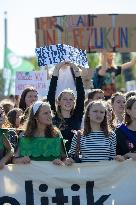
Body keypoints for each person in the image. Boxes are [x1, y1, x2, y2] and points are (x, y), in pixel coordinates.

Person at [13, 101, 73, 166]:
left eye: (50, 112)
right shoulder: (23, 136)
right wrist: (21, 160)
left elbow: (64, 158)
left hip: (52, 175)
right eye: (45, 113)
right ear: (36, 117)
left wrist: (63, 162)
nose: (50, 116)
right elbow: (14, 160)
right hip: (29, 176)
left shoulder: (56, 134)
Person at [47, 61, 85, 152]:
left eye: (71, 99)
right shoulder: (52, 115)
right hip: (56, 158)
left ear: (74, 102)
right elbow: (51, 94)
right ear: (59, 102)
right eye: (65, 99)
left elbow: (81, 94)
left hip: (74, 159)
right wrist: (57, 69)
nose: (68, 102)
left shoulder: (77, 115)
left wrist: (76, 70)